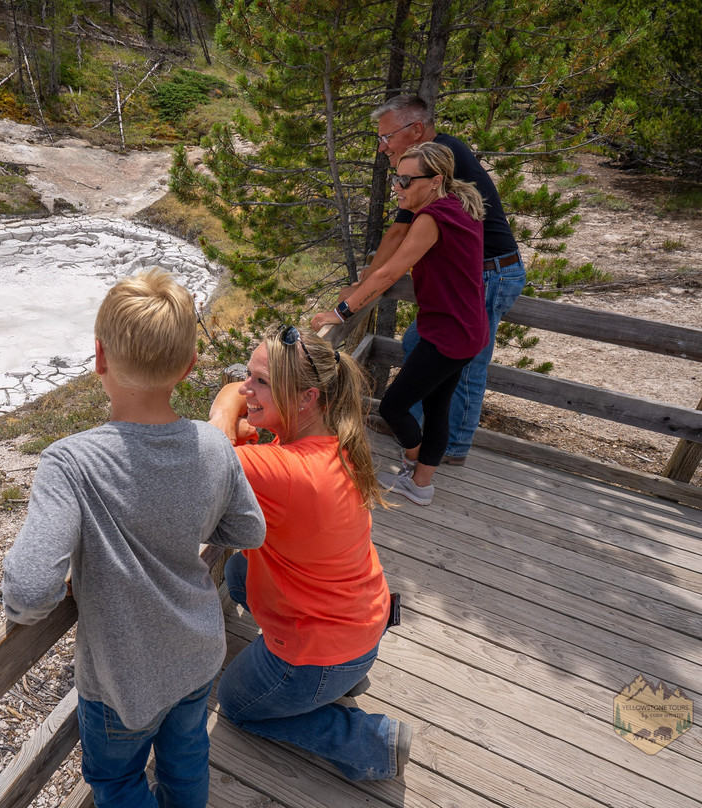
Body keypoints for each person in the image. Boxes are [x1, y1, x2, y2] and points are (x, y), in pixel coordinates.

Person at [1, 268, 266, 808]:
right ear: (190, 367)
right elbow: (249, 529)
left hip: (123, 680)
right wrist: (185, 520)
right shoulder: (212, 448)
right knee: (186, 758)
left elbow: (29, 594)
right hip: (196, 652)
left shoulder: (70, 463)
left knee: (118, 783)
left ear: (99, 357)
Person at [207, 325, 411, 781]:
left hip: (323, 649)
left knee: (238, 706)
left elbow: (207, 450)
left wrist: (226, 416)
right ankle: (337, 681)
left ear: (307, 399)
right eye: (249, 375)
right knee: (240, 570)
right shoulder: (335, 436)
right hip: (363, 619)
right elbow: (234, 420)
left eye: (260, 381)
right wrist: (249, 409)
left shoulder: (283, 471)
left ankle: (370, 741)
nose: (246, 388)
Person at [314, 94, 526, 466]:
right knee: (421, 346)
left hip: (491, 272)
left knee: (466, 367)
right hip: (478, 273)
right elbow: (398, 233)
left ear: (415, 130)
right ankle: (421, 433)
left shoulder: (434, 164)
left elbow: (397, 250)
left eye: (386, 137)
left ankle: (449, 450)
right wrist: (364, 282)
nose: (382, 148)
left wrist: (349, 304)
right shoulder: (419, 173)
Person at [315, 141, 488, 504]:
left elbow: (390, 273)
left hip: (448, 334)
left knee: (394, 406)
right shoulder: (458, 206)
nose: (397, 187)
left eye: (407, 181)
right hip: (468, 329)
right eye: (397, 178)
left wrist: (342, 311)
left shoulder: (432, 218)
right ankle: (422, 484)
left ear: (435, 180)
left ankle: (414, 462)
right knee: (437, 407)